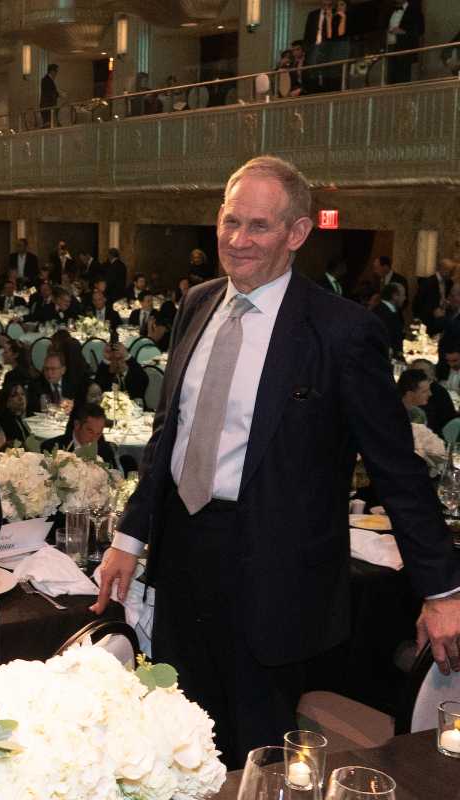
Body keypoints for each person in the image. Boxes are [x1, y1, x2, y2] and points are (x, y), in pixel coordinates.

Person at [94, 155, 460, 769]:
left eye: (258, 226)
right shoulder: (197, 304)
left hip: (274, 576)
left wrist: (443, 589)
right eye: (229, 221)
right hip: (183, 557)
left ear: (297, 233)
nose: (238, 241)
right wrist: (129, 537)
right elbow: (169, 437)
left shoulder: (342, 331)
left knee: (257, 752)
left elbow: (397, 468)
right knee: (178, 739)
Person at [386, 0, 424, 85]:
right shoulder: (390, 10)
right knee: (391, 78)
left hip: (405, 49)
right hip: (390, 48)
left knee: (403, 77)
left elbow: (420, 30)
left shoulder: (414, 10)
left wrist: (403, 32)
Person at [40, 63, 61, 127]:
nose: (56, 73)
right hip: (47, 106)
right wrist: (59, 94)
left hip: (49, 105)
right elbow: (49, 92)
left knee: (50, 123)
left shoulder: (48, 80)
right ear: (52, 71)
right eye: (56, 71)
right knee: (48, 124)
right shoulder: (46, 80)